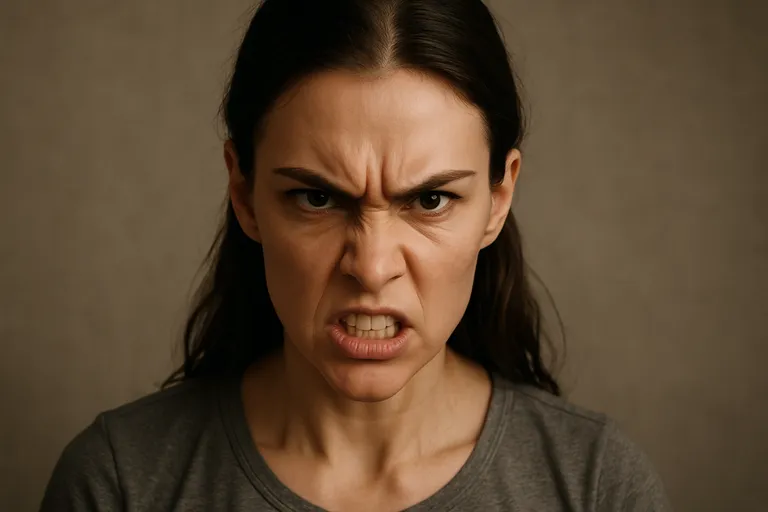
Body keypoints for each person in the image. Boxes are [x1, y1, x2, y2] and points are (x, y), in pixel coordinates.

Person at [40, 0, 671, 510]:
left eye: (430, 200)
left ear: (498, 198)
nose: (371, 268)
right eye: (316, 197)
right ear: (245, 192)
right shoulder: (118, 483)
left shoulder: (597, 486)